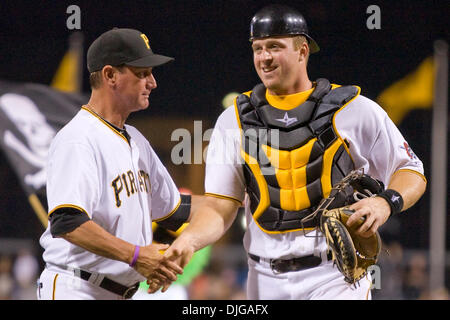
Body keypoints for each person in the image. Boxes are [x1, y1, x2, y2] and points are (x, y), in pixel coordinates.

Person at [154, 5, 427, 299]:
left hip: (334, 275)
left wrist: (386, 203)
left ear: (302, 51)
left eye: (275, 46)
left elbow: (412, 170)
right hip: (264, 277)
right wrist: (190, 241)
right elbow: (220, 207)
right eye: (257, 48)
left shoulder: (354, 109)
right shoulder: (233, 120)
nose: (264, 57)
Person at [37, 28, 195, 300]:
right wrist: (136, 256)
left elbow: (175, 211)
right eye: (143, 73)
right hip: (76, 287)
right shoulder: (78, 138)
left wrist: (231, 196)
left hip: (119, 291)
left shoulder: (136, 139)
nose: (153, 82)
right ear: (110, 75)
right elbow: (67, 222)